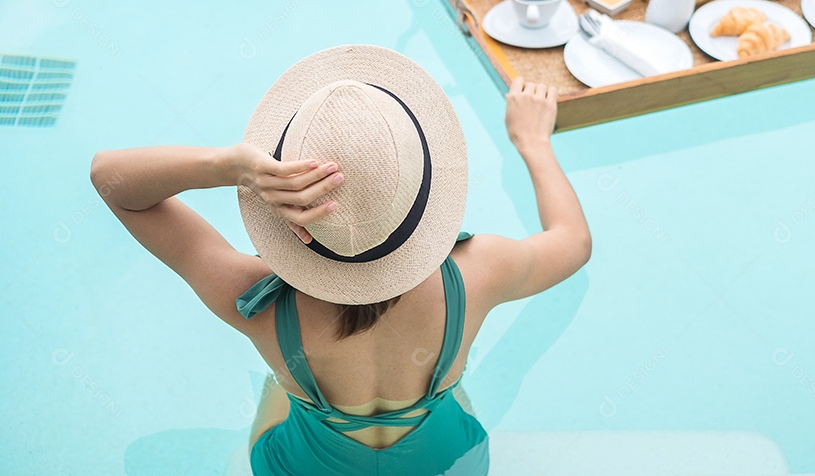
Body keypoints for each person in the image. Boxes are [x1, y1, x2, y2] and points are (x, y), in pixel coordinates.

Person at [90, 44, 591, 475]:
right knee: (450, 396)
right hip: (446, 461)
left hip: (305, 463)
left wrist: (228, 165)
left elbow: (112, 182)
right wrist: (533, 142)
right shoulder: (480, 271)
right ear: (423, 195)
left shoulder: (252, 302)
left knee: (280, 384)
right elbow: (573, 241)